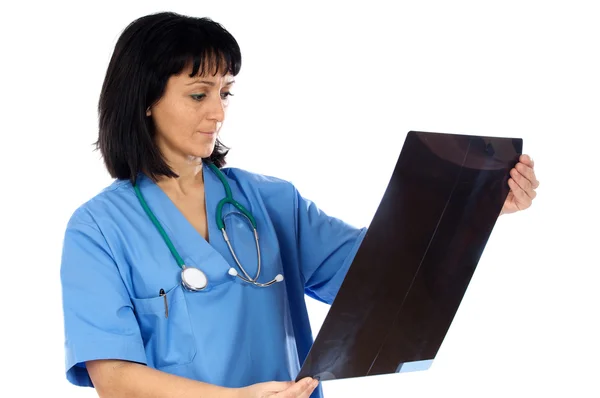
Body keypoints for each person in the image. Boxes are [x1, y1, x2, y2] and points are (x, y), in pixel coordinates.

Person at [59, 11, 540, 398]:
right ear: (145, 99)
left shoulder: (270, 201)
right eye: (199, 94)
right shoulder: (98, 230)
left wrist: (475, 206)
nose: (219, 112)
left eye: (226, 92)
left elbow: (379, 275)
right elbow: (115, 379)